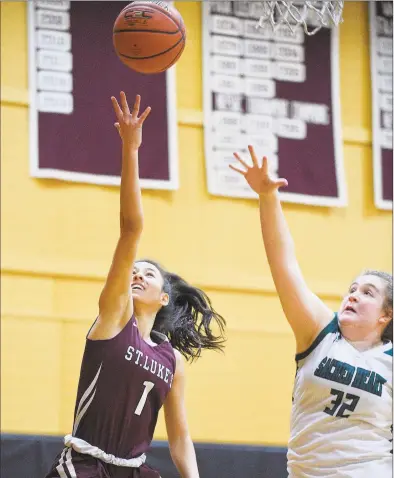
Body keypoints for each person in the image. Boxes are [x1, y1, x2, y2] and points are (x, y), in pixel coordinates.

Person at [45, 92, 226, 478]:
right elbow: (131, 229)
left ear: (163, 298)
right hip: (85, 466)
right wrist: (131, 149)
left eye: (148, 273)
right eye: (134, 270)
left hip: (135, 471)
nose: (137, 275)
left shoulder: (171, 360)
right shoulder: (113, 320)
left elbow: (179, 438)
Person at [230, 145, 392, 478]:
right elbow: (283, 264)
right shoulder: (320, 333)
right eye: (351, 290)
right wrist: (267, 197)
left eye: (367, 293)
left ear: (384, 316)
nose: (353, 296)